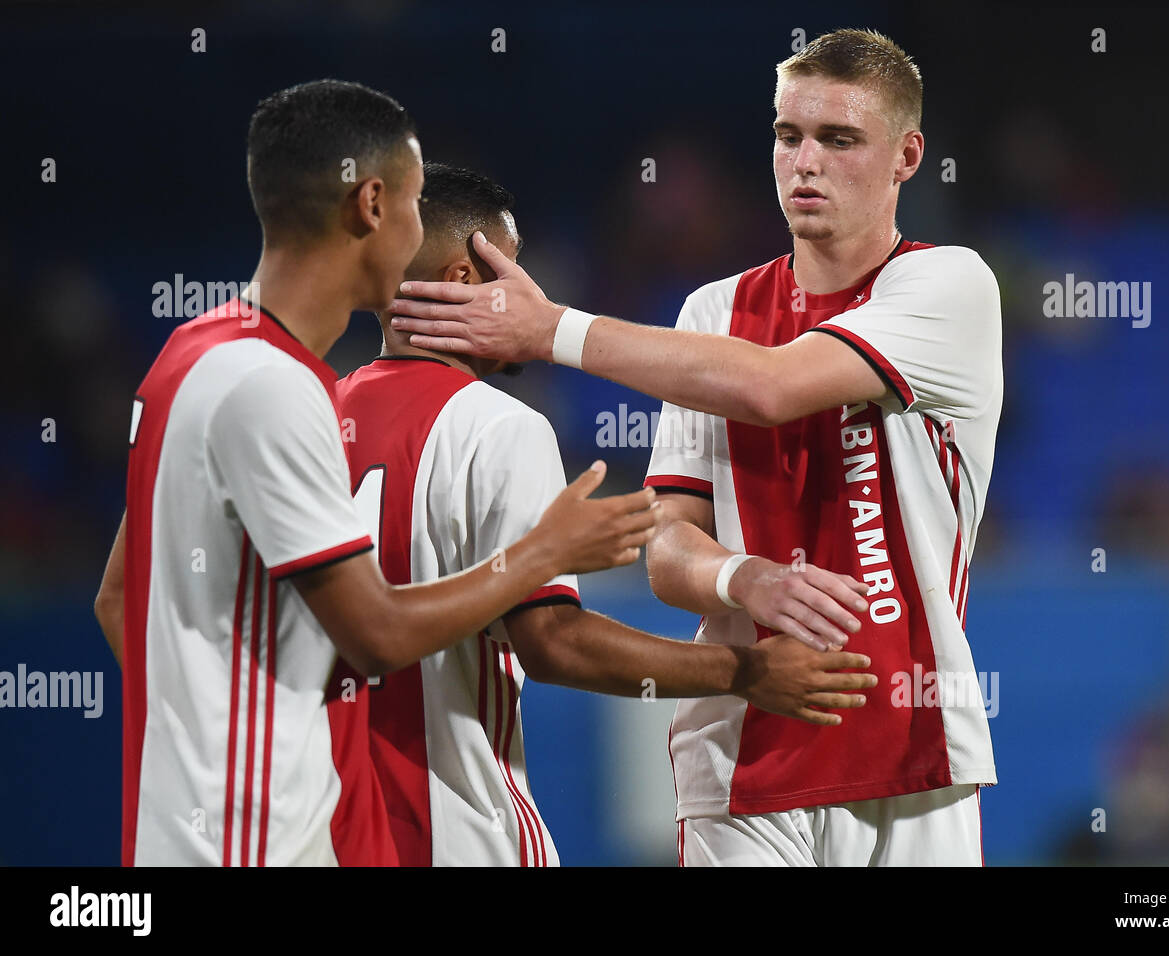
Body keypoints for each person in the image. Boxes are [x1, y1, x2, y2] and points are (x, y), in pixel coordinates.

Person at [388, 28, 1003, 866]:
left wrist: (553, 328)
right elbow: (669, 548)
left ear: (907, 156)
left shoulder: (949, 285)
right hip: (738, 750)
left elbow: (774, 386)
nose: (806, 162)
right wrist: (743, 576)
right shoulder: (712, 312)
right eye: (789, 136)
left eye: (840, 139)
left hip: (910, 743)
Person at [92, 80, 658, 867]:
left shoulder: (191, 355)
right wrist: (545, 550)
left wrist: (208, 748)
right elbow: (378, 633)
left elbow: (120, 598)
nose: (426, 228)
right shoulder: (278, 388)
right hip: (266, 841)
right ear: (372, 205)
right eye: (421, 201)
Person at [335, 162, 876, 866]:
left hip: (319, 829)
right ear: (463, 280)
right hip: (450, 831)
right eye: (512, 270)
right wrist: (745, 671)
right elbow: (552, 642)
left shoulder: (310, 418)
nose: (531, 297)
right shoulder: (500, 428)